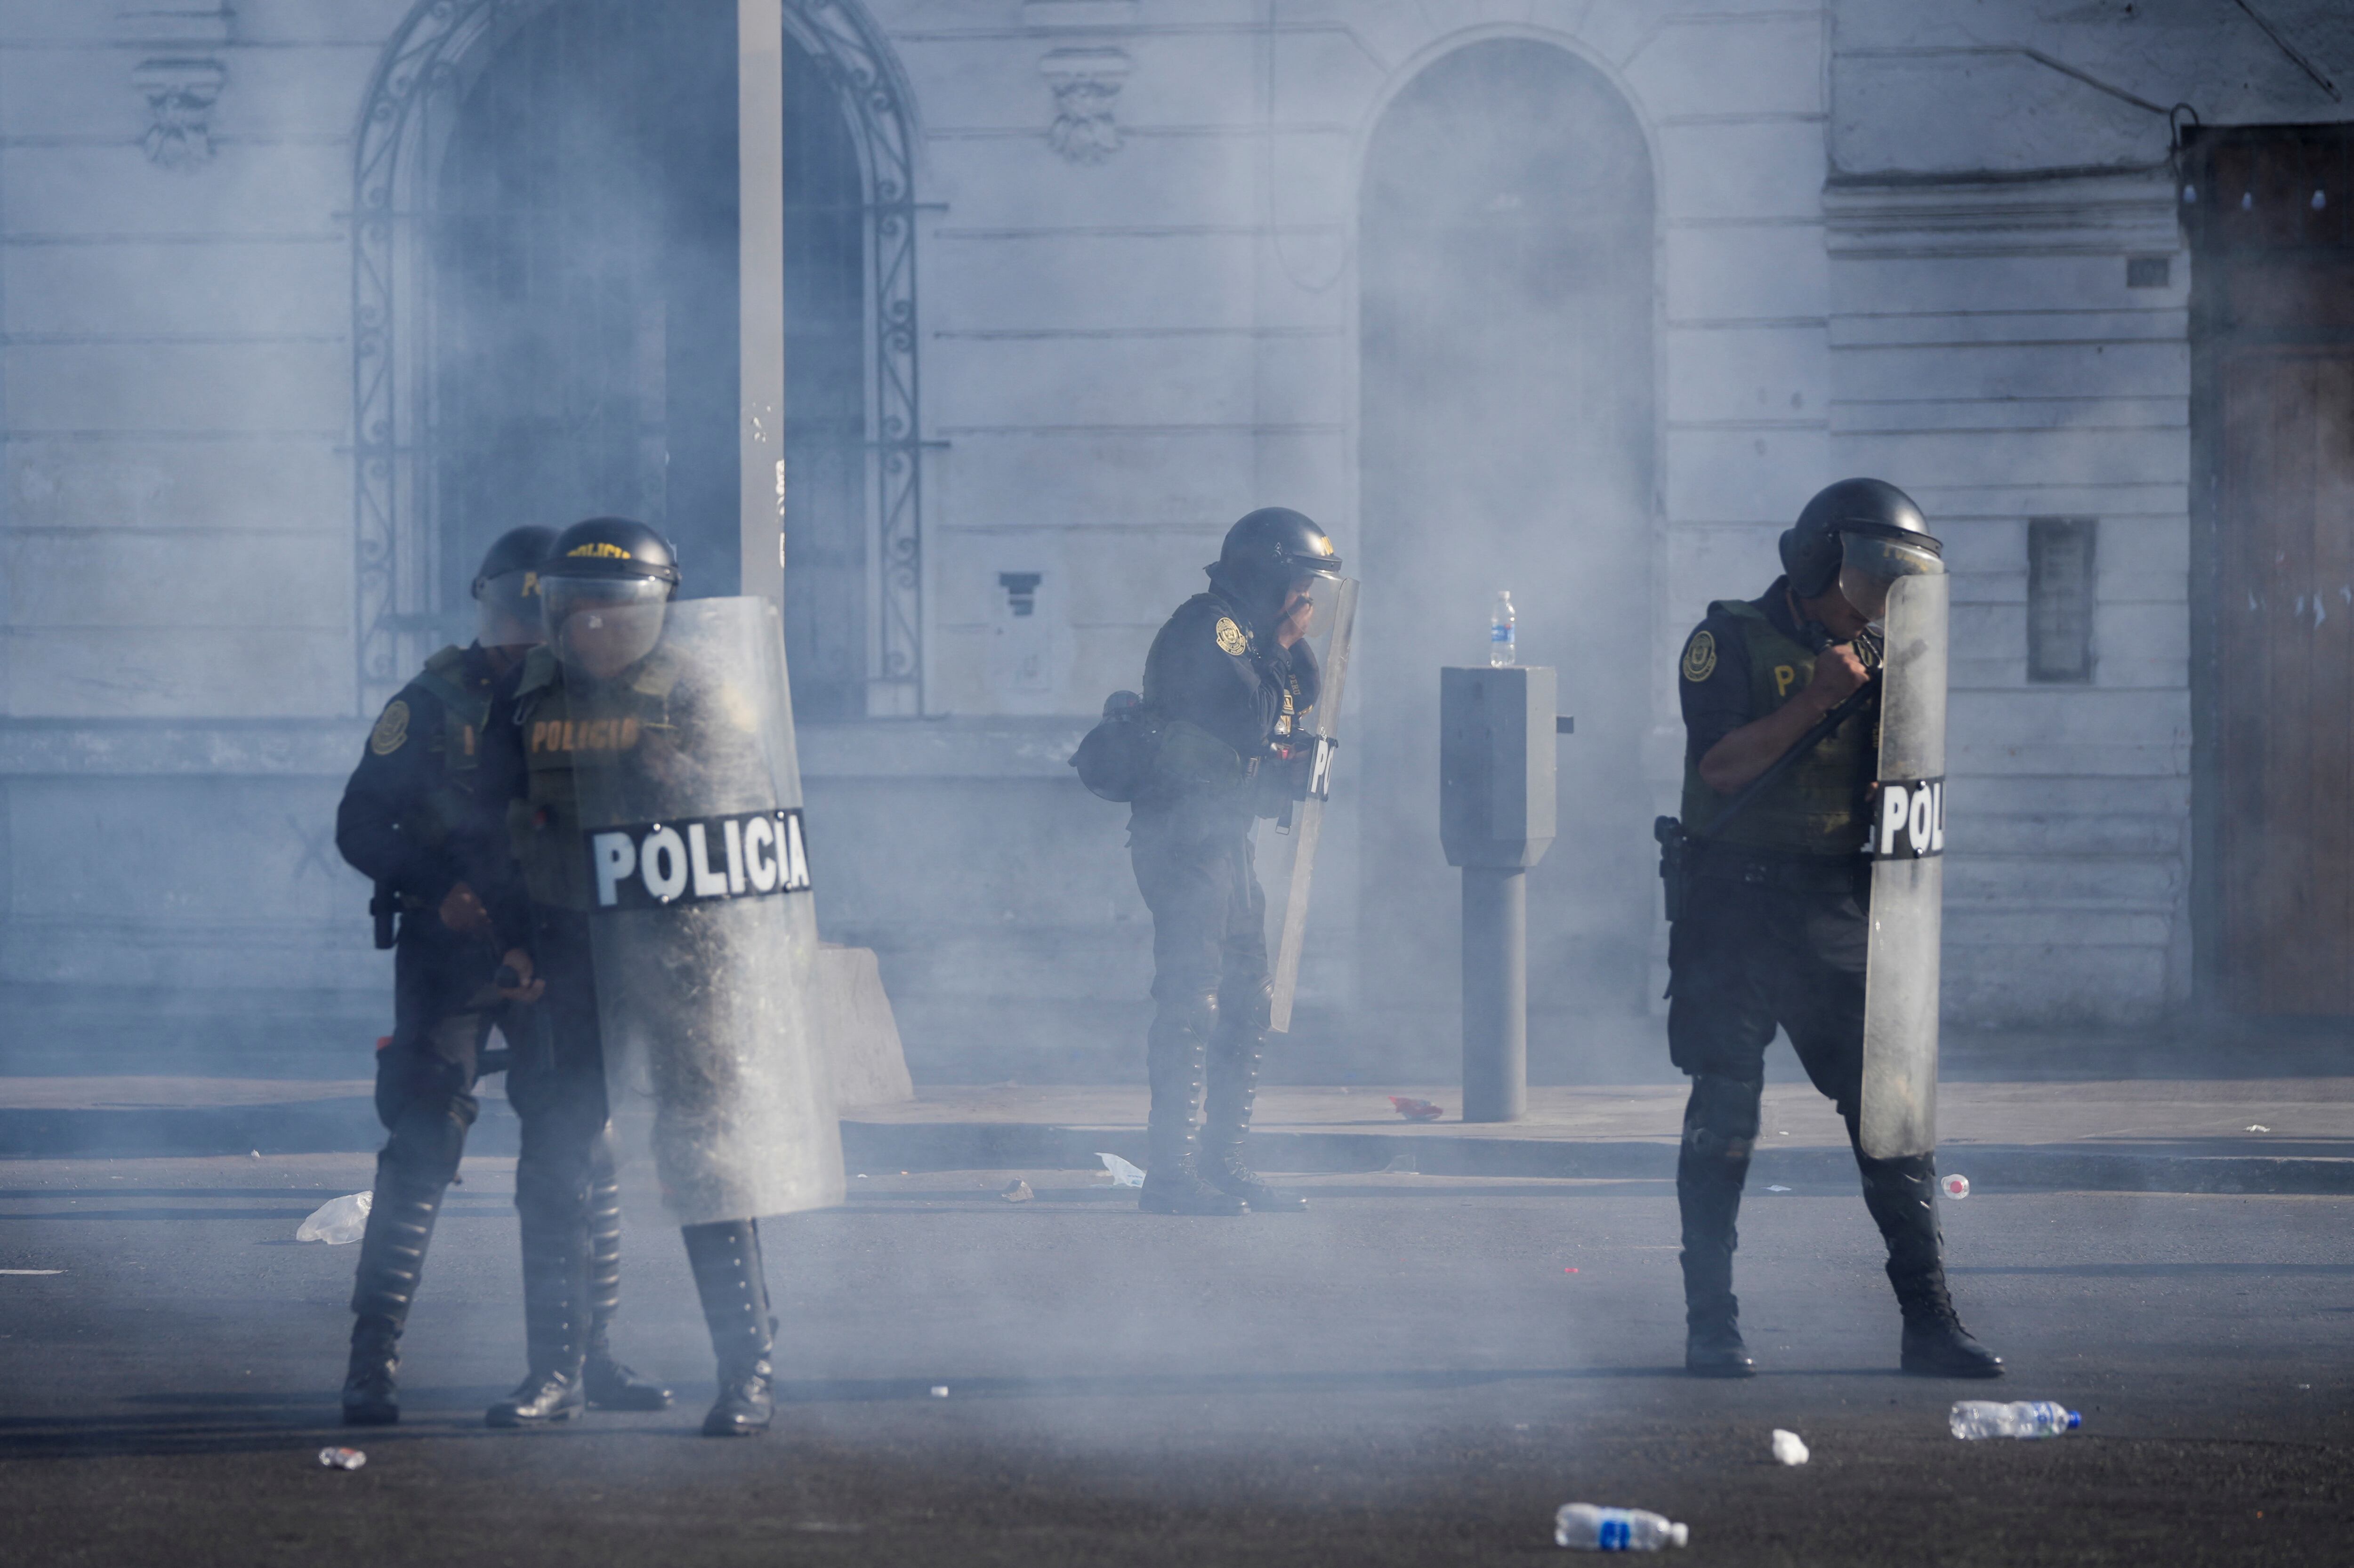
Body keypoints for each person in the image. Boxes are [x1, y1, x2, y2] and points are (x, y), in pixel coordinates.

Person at [333, 526, 669, 1425]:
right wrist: (434, 888)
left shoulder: (579, 699)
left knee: (578, 1141)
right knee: (424, 1134)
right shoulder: (434, 700)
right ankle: (372, 1362)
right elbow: (361, 824)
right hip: (452, 949)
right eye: (521, 609)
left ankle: (587, 1357)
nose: (527, 630)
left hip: (556, 944)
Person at [1667, 477, 2000, 1380]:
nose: (1877, 600)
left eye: (1893, 582)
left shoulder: (1890, 652)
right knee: (1724, 1116)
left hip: (1832, 906)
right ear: (1818, 563)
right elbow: (1721, 768)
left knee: (1892, 1114)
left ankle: (1930, 1321)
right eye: (1867, 578)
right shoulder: (1728, 640)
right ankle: (1711, 1326)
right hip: (1733, 908)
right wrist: (1816, 699)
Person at [478, 517, 800, 1437]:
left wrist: (675, 773)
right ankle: (556, 1372)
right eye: (573, 609)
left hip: (681, 951)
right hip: (569, 948)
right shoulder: (528, 701)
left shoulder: (699, 691)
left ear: (656, 611)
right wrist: (512, 943)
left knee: (707, 1160)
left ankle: (747, 1372)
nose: (590, 627)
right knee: (556, 1157)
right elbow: (493, 826)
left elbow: (749, 816)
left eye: (611, 610)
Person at [1128, 507, 1339, 1217]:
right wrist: (1279, 645)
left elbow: (1296, 705)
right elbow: (1251, 721)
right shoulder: (1209, 629)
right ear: (1268, 577)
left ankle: (1224, 1160)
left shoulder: (1252, 638)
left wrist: (1285, 647)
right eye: (1299, 583)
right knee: (1193, 999)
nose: (1305, 599)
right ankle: (1170, 1174)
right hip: (1182, 837)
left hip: (1226, 837)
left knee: (1249, 996)